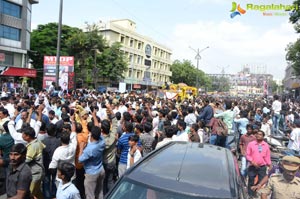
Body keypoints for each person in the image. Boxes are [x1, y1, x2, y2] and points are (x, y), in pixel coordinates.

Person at [78, 126, 105, 199]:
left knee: (90, 195)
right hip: (101, 169)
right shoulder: (102, 141)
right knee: (99, 192)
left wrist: (81, 148)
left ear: (92, 135)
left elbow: (80, 160)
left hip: (91, 174)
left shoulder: (89, 149)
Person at [246, 130, 271, 198]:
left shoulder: (265, 145)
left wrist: (269, 164)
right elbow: (248, 155)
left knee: (261, 181)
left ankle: (255, 190)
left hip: (262, 166)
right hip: (252, 166)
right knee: (251, 179)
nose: (258, 136)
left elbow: (267, 156)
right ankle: (250, 195)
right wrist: (252, 162)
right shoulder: (251, 144)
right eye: (257, 134)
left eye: (260, 134)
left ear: (263, 136)